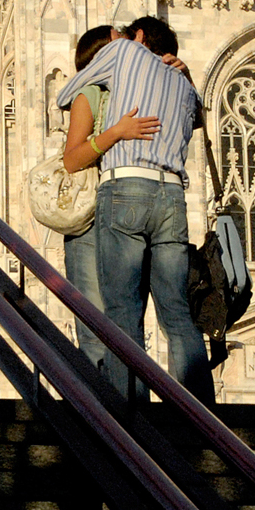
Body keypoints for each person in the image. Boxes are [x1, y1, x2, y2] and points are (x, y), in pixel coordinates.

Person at [55, 16, 214, 405]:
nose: (121, 41)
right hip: (173, 197)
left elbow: (63, 95)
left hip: (126, 189)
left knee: (122, 312)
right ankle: (203, 415)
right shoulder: (181, 84)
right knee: (176, 311)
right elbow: (197, 119)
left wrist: (116, 129)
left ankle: (131, 414)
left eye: (125, 36)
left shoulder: (125, 54)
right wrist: (184, 75)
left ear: (137, 38)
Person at [59, 25, 158, 376]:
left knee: (128, 325)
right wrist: (115, 133)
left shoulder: (140, 90)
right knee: (94, 329)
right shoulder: (89, 93)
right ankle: (100, 419)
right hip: (90, 221)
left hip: (128, 214)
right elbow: (72, 159)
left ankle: (128, 416)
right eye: (121, 38)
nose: (131, 42)